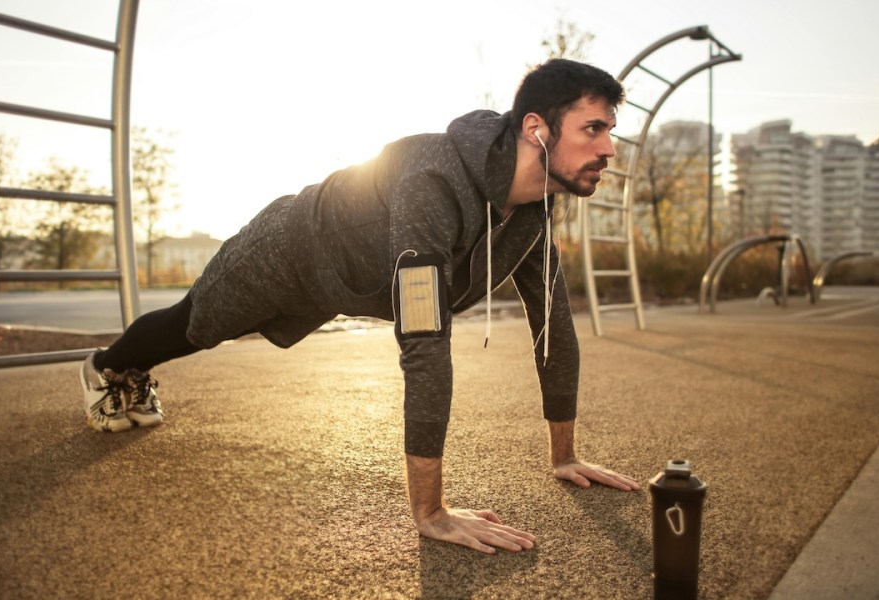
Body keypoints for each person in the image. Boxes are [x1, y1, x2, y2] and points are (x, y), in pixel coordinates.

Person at [79, 58, 642, 554]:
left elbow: (555, 327)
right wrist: (431, 512)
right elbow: (424, 339)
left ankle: (126, 368)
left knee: (199, 327)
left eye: (611, 131)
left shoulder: (536, 213)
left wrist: (564, 456)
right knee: (195, 326)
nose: (609, 149)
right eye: (593, 129)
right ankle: (108, 364)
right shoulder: (433, 182)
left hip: (349, 281)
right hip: (289, 249)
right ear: (536, 129)